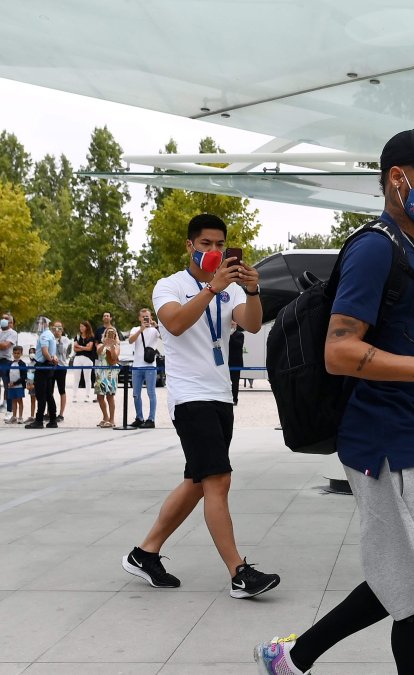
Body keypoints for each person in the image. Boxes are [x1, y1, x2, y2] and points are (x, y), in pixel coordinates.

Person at [254, 129, 414, 675]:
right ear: (395, 179)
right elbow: (339, 350)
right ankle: (291, 656)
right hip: (381, 440)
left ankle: (291, 656)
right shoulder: (375, 247)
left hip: (413, 434)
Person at [122, 213, 280, 600]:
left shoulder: (232, 287)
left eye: (220, 244)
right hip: (189, 396)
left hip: (220, 394)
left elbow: (252, 324)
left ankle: (145, 553)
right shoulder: (170, 285)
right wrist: (210, 288)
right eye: (206, 243)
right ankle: (239, 572)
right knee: (218, 480)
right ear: (190, 246)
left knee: (199, 481)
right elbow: (174, 324)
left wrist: (254, 291)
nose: (214, 250)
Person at [127, 308, 160, 428]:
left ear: (151, 317)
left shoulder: (154, 331)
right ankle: (139, 417)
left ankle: (151, 419)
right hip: (137, 365)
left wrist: (156, 326)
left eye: (147, 316)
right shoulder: (135, 329)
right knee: (136, 394)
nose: (145, 319)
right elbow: (130, 341)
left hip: (150, 366)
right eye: (143, 317)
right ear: (139, 318)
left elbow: (165, 338)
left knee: (151, 393)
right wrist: (141, 329)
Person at [25, 316, 59, 429]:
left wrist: (50, 359)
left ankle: (39, 420)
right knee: (49, 394)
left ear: (43, 324)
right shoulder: (50, 335)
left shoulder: (44, 335)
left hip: (43, 366)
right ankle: (53, 420)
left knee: (40, 394)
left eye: (39, 323)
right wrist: (53, 360)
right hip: (49, 367)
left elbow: (45, 352)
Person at [95, 329, 120, 428]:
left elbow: (114, 357)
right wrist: (105, 344)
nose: (110, 335)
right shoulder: (100, 345)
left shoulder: (117, 346)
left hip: (111, 373)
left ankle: (112, 419)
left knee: (110, 396)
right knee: (99, 396)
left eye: (112, 333)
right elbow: (99, 352)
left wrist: (112, 347)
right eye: (108, 333)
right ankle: (105, 417)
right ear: (104, 335)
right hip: (101, 372)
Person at [73, 320, 98, 404]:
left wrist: (80, 347)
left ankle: (87, 395)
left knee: (87, 378)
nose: (81, 328)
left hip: (88, 358)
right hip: (78, 358)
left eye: (83, 326)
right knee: (77, 378)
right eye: (80, 326)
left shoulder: (91, 337)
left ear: (86, 327)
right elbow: (75, 348)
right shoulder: (77, 336)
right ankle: (74, 395)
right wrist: (83, 347)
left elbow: (89, 348)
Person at [52, 321, 72, 422]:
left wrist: (59, 339)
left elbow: (62, 352)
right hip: (51, 367)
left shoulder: (65, 340)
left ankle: (61, 413)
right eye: (55, 328)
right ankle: (50, 411)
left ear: (62, 329)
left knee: (61, 389)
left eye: (59, 328)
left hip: (61, 366)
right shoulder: (50, 338)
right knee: (49, 389)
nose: (57, 330)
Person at [5, 345, 28, 424]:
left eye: (18, 353)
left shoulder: (23, 364)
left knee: (19, 401)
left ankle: (20, 417)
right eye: (15, 353)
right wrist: (8, 382)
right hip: (11, 386)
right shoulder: (10, 363)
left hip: (19, 386)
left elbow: (24, 376)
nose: (16, 355)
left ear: (21, 354)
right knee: (13, 401)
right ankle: (14, 417)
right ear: (12, 353)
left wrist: (15, 383)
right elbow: (7, 374)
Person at [0, 314, 18, 418]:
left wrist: (2, 344)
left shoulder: (13, 333)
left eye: (6, 319)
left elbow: (5, 346)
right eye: (2, 318)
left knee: (8, 386)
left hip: (6, 361)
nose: (4, 320)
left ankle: (9, 411)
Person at [228, 321, 244, 405]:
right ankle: (227, 398)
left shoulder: (240, 335)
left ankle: (235, 399)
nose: (231, 326)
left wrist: (231, 335)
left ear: (236, 325)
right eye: (230, 324)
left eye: (233, 324)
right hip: (226, 363)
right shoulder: (225, 334)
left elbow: (238, 345)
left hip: (236, 363)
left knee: (235, 382)